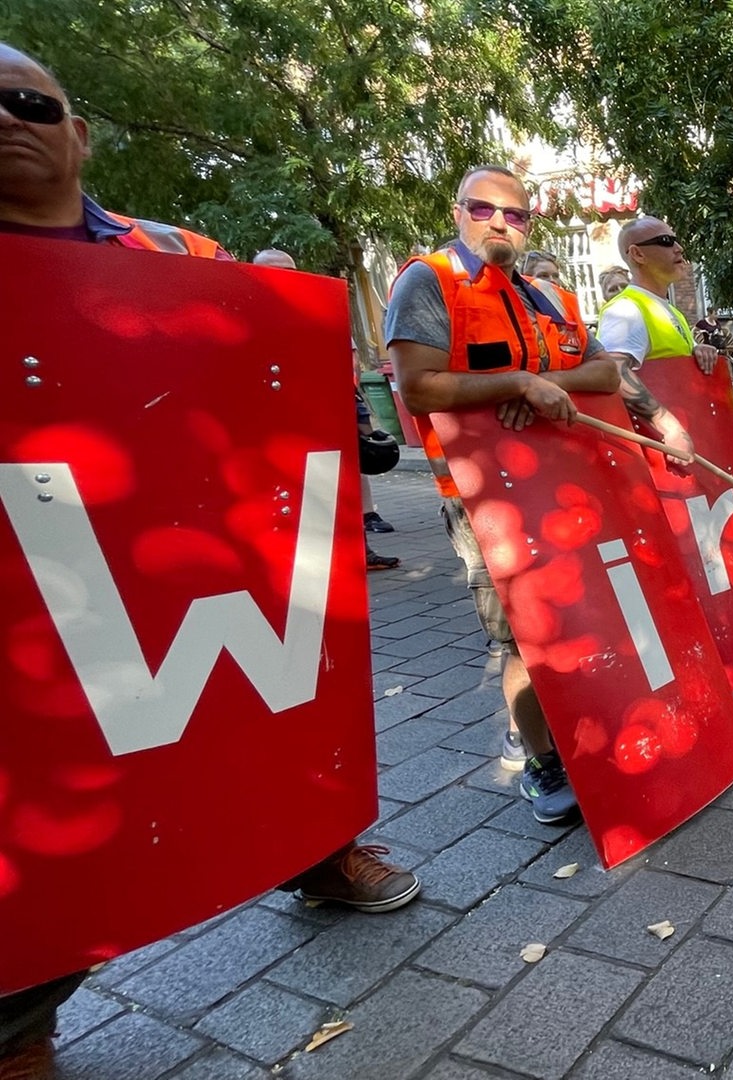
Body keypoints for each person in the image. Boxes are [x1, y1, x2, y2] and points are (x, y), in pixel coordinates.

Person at [0, 43, 419, 1080]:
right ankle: (18, 1023)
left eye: (30, 102)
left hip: (211, 535)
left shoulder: (174, 247)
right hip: (48, 564)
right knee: (44, 788)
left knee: (273, 715)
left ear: (79, 135)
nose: (10, 119)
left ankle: (318, 858)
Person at [387, 164, 692, 822]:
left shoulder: (545, 296)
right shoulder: (428, 280)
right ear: (457, 210)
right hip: (482, 500)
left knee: (581, 618)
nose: (500, 222)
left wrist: (656, 418)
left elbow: (602, 368)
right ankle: (541, 760)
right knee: (520, 641)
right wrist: (520, 384)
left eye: (516, 214)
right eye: (484, 209)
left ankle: (587, 732)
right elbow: (418, 386)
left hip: (562, 488)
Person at [252, 248, 403, 568]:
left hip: (325, 408)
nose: (283, 277)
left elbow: (343, 357)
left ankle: (358, 550)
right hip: (275, 413)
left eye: (288, 270)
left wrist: (350, 397)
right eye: (272, 271)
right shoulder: (251, 312)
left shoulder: (317, 308)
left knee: (342, 476)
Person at [598, 216, 722, 375]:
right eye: (665, 241)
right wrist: (654, 402)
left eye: (675, 240)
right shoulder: (625, 310)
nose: (679, 248)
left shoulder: (670, 310)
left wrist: (696, 350)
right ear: (638, 254)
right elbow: (614, 372)